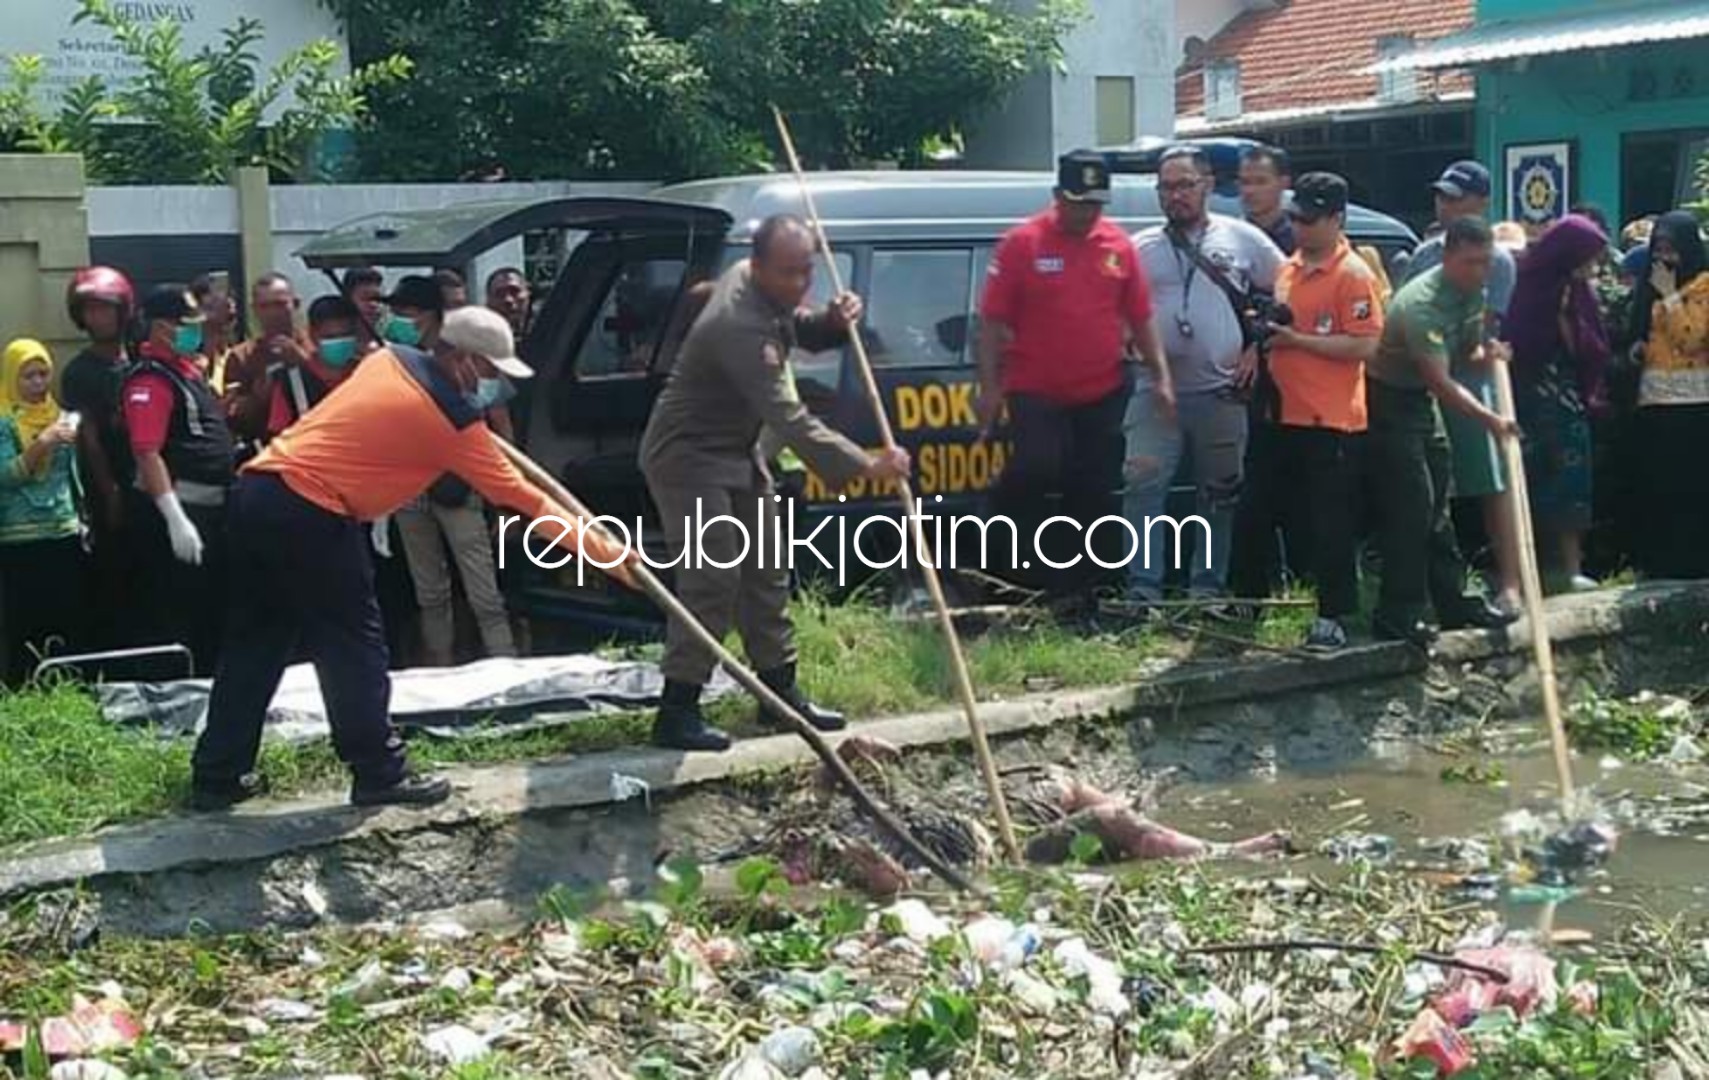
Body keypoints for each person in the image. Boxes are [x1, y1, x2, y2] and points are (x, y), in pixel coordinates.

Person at [188, 306, 636, 810]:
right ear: (462, 359)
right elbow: (525, 499)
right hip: (312, 511)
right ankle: (379, 771)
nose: (494, 387)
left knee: (257, 642)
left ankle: (217, 774)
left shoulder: (389, 360)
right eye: (490, 372)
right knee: (353, 647)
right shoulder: (451, 423)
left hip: (259, 490)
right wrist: (610, 556)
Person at [639, 213, 912, 753]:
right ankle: (677, 709)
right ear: (759, 265)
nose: (800, 283)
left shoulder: (752, 280)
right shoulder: (738, 324)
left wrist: (832, 322)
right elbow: (789, 417)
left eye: (807, 270)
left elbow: (794, 325)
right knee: (712, 575)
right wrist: (865, 464)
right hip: (688, 456)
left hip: (737, 451)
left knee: (766, 570)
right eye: (788, 273)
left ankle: (778, 694)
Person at [976, 149, 1168, 596]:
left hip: (1101, 391)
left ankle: (1086, 591)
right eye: (1079, 203)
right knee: (1036, 470)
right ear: (1058, 196)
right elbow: (991, 322)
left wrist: (1161, 376)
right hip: (1035, 390)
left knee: (1094, 488)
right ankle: (1013, 578)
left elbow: (1141, 317)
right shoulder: (1023, 243)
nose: (1087, 214)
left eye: (1096, 205)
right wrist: (988, 388)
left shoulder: (1118, 246)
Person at [1128, 145, 1284, 606]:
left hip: (1222, 393)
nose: (1175, 195)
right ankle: (1143, 589)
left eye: (1185, 185)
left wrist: (1258, 346)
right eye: (1166, 187)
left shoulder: (1243, 239)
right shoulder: (1140, 248)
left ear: (1209, 186)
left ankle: (1207, 590)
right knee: (1141, 487)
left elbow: (1288, 291)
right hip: (1155, 392)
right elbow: (1113, 306)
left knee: (1219, 495)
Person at [1235, 174, 1385, 651]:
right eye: (1296, 217)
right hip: (1279, 413)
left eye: (1310, 219)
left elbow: (1365, 345)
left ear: (1336, 219)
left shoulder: (1352, 274)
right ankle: (1247, 599)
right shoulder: (1290, 268)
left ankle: (1333, 615)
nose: (1299, 226)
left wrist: (1298, 341)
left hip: (1330, 419)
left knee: (1330, 522)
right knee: (1257, 510)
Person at [1367, 218, 1520, 645]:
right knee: (1412, 505)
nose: (1480, 271)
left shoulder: (1473, 292)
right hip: (1388, 400)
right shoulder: (1422, 303)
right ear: (1448, 256)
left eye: (1485, 262)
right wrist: (1492, 421)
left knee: (1438, 502)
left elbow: (1467, 353)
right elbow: (1442, 382)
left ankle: (1454, 602)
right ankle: (1398, 612)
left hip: (1421, 399)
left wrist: (1490, 353)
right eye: (1470, 262)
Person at [1400, 162, 1522, 615]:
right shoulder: (1423, 255)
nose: (1445, 205)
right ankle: (1436, 586)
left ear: (1481, 202)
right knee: (1429, 491)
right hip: (1423, 384)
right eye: (1441, 197)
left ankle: (1512, 583)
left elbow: (1482, 330)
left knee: (1493, 483)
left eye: (1456, 198)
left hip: (1472, 381)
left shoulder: (1497, 260)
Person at [379, 276, 519, 666]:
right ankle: (440, 666)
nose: (397, 319)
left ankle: (505, 663)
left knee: (484, 592)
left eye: (405, 312)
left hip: (459, 486)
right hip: (411, 491)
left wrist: (505, 494)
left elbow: (499, 423)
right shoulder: (390, 360)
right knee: (430, 594)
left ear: (427, 314)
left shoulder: (468, 355)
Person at [124, 284, 238, 675]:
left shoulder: (186, 371)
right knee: (179, 615)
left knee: (210, 612)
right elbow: (146, 451)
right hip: (180, 513)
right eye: (187, 323)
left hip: (212, 512)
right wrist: (176, 520)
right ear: (162, 328)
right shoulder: (150, 380)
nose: (195, 330)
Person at [1503, 214, 1612, 591]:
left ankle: (1571, 567)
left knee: (1572, 482)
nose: (1592, 266)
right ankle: (1526, 569)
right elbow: (1521, 340)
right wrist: (1557, 314)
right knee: (1530, 480)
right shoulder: (1530, 285)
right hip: (1531, 398)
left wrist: (1571, 318)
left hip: (1569, 399)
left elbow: (1592, 346)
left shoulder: (1579, 292)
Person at [57, 266, 141, 653]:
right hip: (108, 487)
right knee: (113, 576)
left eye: (105, 308)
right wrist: (110, 493)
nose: (98, 318)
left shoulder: (139, 361)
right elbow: (87, 437)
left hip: (148, 481)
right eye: (89, 310)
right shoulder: (80, 372)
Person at [0, 339, 87, 684]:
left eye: (43, 374)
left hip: (63, 529)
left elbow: (71, 473)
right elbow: (6, 475)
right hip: (20, 536)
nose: (38, 383)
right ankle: (25, 691)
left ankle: (64, 688)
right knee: (26, 620)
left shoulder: (58, 415)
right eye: (28, 376)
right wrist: (43, 443)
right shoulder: (5, 421)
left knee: (65, 616)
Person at [1629, 211, 1709, 579]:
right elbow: (1641, 331)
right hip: (1656, 403)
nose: (1665, 258)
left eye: (1671, 249)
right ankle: (1658, 560)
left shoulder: (1703, 288)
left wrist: (1670, 296)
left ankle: (1693, 561)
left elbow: (1691, 338)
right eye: (1659, 249)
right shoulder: (1652, 285)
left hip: (1694, 405)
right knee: (1658, 484)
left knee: (1690, 486)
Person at [221, 273, 313, 452]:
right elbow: (233, 415)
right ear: (254, 309)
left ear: (295, 304)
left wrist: (303, 361)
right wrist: (258, 397)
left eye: (280, 304)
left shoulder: (315, 344)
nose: (272, 313)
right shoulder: (242, 357)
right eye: (264, 306)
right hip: (270, 449)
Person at [261, 295, 368, 440]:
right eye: (330, 337)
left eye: (345, 335)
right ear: (312, 335)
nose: (339, 342)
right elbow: (279, 435)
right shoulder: (292, 381)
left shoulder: (368, 373)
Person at [1239, 144, 1295, 256]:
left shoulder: (1304, 236)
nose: (1250, 191)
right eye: (1245, 182)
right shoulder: (1232, 236)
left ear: (1284, 183)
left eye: (1261, 182)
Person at [344, 267, 388, 349]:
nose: (373, 305)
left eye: (378, 299)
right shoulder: (339, 348)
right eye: (364, 298)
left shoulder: (390, 348)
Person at [486, 268, 532, 341]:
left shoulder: (546, 329)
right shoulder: (481, 337)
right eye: (500, 294)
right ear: (489, 301)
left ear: (527, 293)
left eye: (514, 291)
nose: (508, 300)